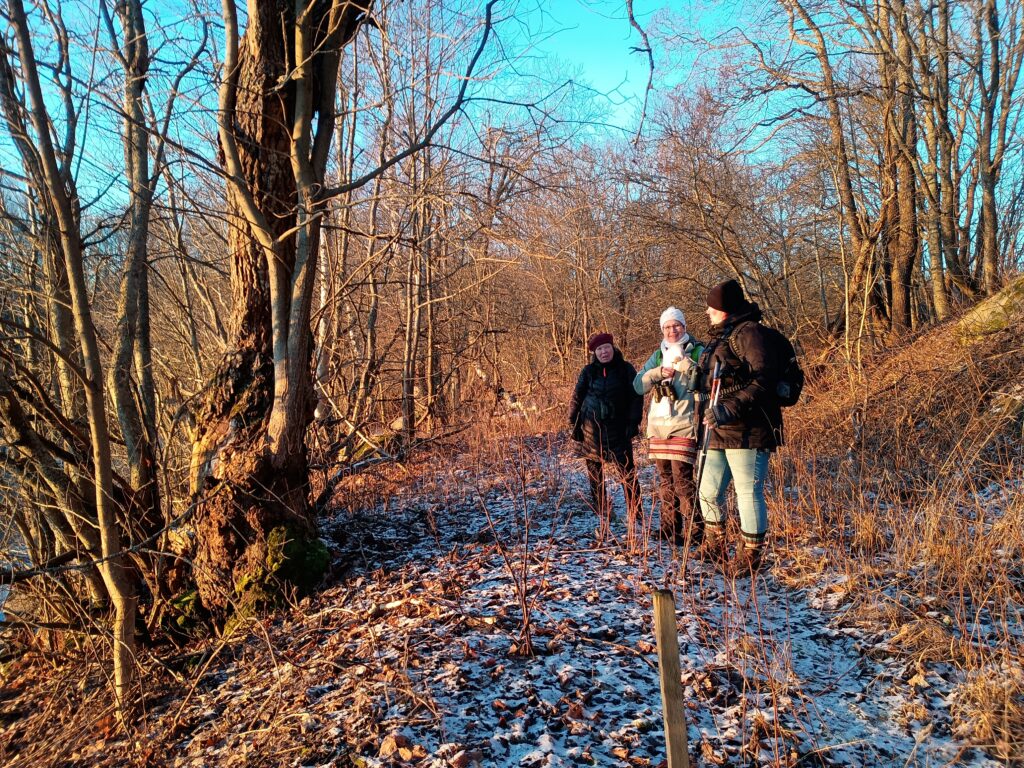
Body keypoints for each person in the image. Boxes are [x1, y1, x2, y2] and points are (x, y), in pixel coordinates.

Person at [695, 279, 783, 573]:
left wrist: (728, 408)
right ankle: (715, 544)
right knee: (707, 490)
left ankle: (751, 557)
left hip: (748, 428)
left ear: (726, 308)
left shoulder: (750, 333)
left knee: (747, 492)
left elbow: (764, 379)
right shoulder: (720, 337)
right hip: (717, 428)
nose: (708, 311)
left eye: (712, 307)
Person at [634, 307, 704, 546]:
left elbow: (706, 381)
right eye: (667, 327)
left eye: (676, 325)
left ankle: (695, 532)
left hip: (684, 425)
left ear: (684, 326)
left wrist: (687, 366)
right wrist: (655, 373)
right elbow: (637, 386)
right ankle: (669, 529)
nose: (672, 331)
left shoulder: (697, 350)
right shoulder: (656, 355)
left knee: (683, 481)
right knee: (665, 481)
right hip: (659, 428)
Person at [568, 332, 643, 533]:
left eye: (606, 348)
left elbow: (637, 396)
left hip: (619, 430)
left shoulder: (626, 369)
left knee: (627, 473)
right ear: (595, 352)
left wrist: (634, 422)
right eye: (599, 349)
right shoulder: (588, 371)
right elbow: (577, 397)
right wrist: (573, 423)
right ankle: (602, 512)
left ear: (612, 347)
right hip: (592, 430)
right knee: (595, 474)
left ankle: (636, 512)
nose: (604, 352)